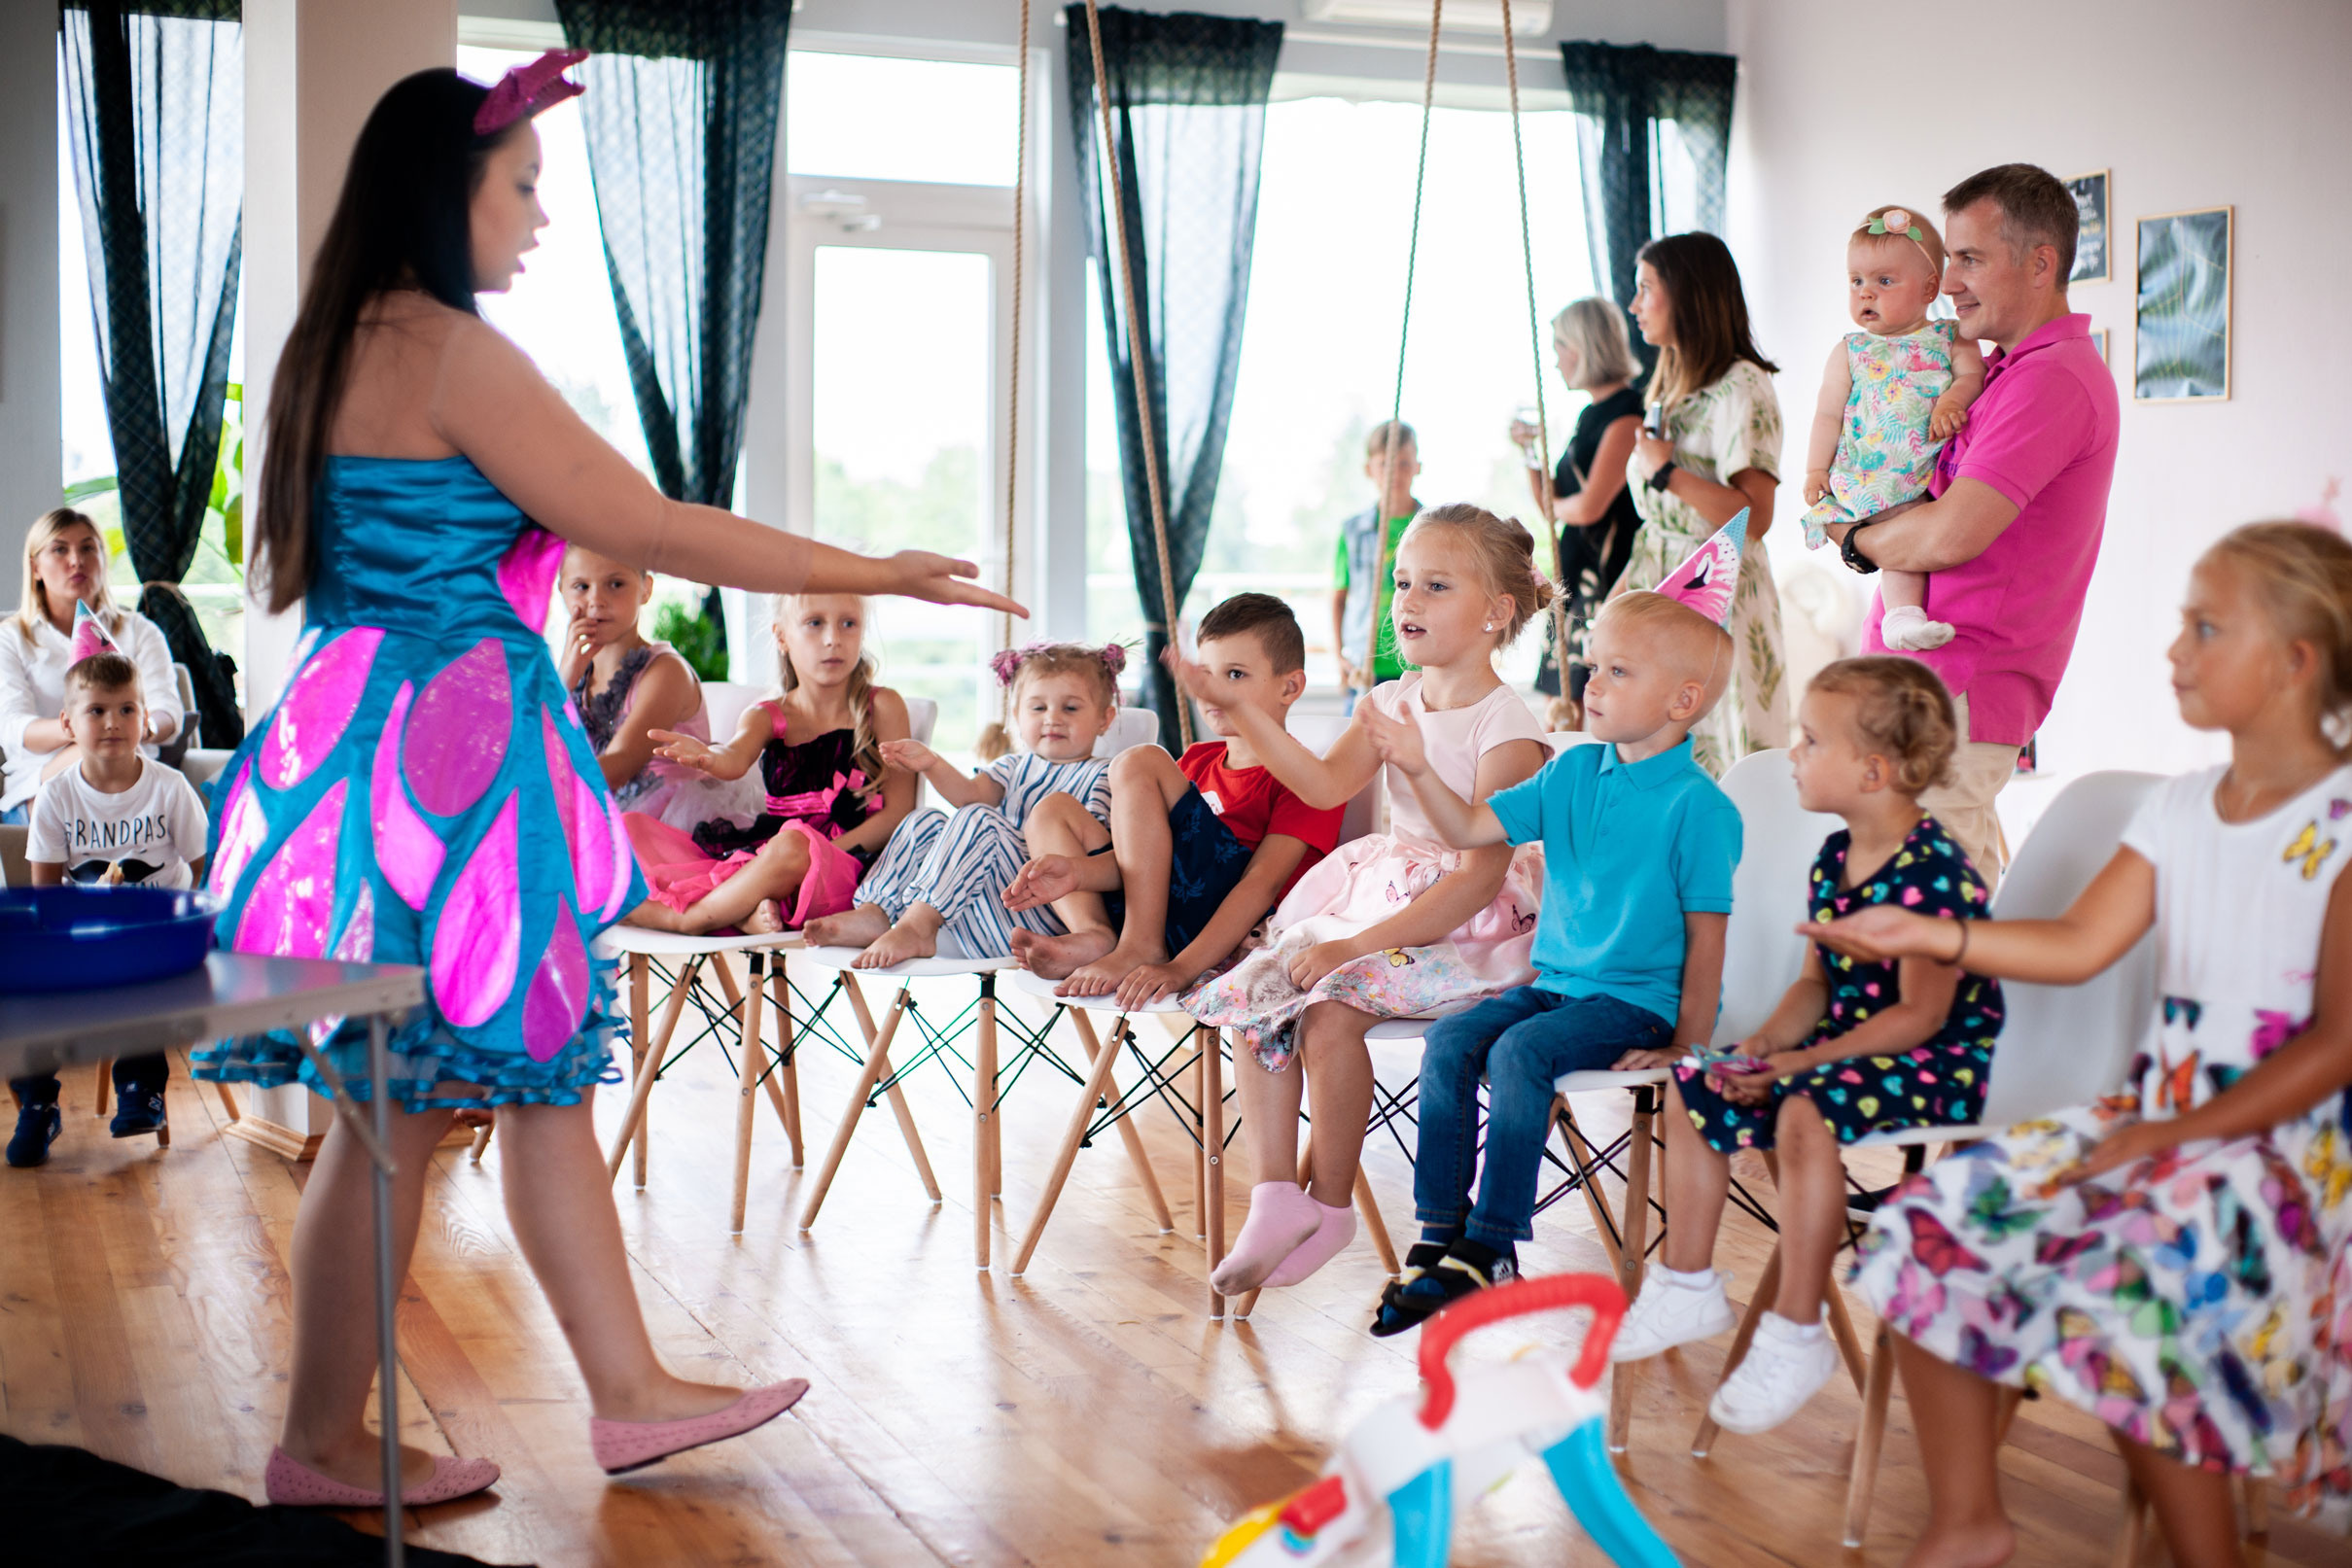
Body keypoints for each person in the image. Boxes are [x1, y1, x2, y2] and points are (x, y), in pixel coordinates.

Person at [190, 54, 1022, 1507]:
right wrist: (871, 568)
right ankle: (567, 1402)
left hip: (344, 751)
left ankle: (344, 1438)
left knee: (400, 1110)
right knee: (503, 1089)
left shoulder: (334, 345)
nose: (537, 221)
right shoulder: (448, 349)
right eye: (521, 190)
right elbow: (645, 523)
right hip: (447, 761)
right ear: (446, 194)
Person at [1818, 522, 2352, 1564]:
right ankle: (1967, 1519)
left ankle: (2212, 1556)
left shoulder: (2340, 823)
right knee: (1930, 1223)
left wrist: (2171, 1137)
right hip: (2158, 1120)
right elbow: (2076, 940)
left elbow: (2337, 1042)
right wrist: (1933, 932)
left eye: (2205, 628)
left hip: (2292, 1152)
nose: (2175, 652)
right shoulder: (2180, 806)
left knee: (2139, 1280)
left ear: (2295, 663)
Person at [1353, 518, 1751, 1336]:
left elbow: (1707, 938)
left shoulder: (1699, 807)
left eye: (1617, 671)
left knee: (1519, 1052)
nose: (1592, 683)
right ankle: (1438, 1236)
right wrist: (1419, 764)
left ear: (1683, 701)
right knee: (1452, 1042)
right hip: (1557, 985)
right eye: (1594, 664)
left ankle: (1493, 1243)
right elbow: (1468, 833)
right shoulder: (1570, 770)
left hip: (1633, 1003)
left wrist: (1688, 1041)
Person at [1613, 655, 2002, 1436]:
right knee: (1700, 1080)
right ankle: (1686, 1280)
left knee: (1802, 1109)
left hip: (1935, 1061)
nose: (1792, 753)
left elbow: (1920, 1016)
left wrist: (1799, 1065)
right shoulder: (1833, 857)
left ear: (1872, 769)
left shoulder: (1930, 869)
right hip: (1845, 1045)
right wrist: (1760, 1046)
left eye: (1810, 740)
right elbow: (1815, 988)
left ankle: (1795, 1331)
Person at [1173, 505, 1553, 1296]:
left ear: (1495, 612)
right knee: (1258, 991)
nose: (1406, 601)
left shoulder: (1507, 725)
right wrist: (1242, 708)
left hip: (1466, 923)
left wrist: (1351, 946)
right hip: (1388, 887)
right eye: (1401, 582)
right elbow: (1317, 783)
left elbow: (1477, 877)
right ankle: (1277, 1194)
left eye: (1434, 586)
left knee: (1331, 1005)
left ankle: (1332, 1203)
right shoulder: (1389, 698)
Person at [1820, 164, 2122, 880]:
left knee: (1917, 902)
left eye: (1969, 259)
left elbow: (1949, 534)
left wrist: (1850, 539)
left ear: (2040, 263)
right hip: (1924, 675)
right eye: (1949, 258)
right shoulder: (1994, 370)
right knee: (1954, 892)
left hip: (1959, 678)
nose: (1947, 281)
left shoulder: (2052, 378)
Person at [1000, 593, 1346, 1005]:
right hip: (1161, 909)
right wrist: (1079, 873)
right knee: (1051, 810)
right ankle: (1096, 936)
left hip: (1225, 931)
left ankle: (1139, 946)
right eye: (1205, 674)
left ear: (1290, 687)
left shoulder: (1306, 779)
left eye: (1234, 675)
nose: (1212, 690)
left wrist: (1183, 967)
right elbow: (1145, 860)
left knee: (1139, 760)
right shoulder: (1200, 760)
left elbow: (1260, 885)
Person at [5, 653, 211, 1167]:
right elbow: (46, 895)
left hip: (161, 932)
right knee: (20, 988)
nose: (113, 723)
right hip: (85, 931)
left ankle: (142, 1088)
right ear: (69, 724)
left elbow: (207, 868)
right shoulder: (55, 796)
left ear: (146, 720)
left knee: (135, 978)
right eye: (97, 711)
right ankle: (37, 1102)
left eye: (126, 710)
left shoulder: (169, 788)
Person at [804, 642, 1120, 968]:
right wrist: (932, 763)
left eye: (1070, 708)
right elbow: (969, 795)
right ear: (1016, 715)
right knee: (925, 820)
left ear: (1103, 718)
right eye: (1038, 708)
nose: (1052, 718)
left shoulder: (1106, 776)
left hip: (1042, 918)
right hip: (979, 909)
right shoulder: (1013, 766)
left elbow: (1094, 854)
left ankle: (918, 926)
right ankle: (875, 913)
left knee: (979, 819)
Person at [622, 592, 911, 936]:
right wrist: (708, 757)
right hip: (774, 857)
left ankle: (690, 919)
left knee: (793, 846)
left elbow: (898, 812)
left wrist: (821, 852)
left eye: (848, 624)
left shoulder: (884, 706)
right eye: (815, 624)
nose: (833, 638)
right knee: (625, 829)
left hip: (848, 868)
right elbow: (734, 758)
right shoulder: (766, 715)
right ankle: (744, 911)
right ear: (782, 636)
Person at [1619, 232, 1788, 777]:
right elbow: (1658, 524)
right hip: (1659, 599)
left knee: (1720, 759)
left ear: (1687, 295)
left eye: (1646, 288)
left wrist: (1668, 471)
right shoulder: (1667, 390)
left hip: (1716, 598)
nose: (1634, 304)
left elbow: (1754, 518)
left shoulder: (1743, 386)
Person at [1799, 207, 1986, 652]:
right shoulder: (1850, 350)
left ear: (1927, 289)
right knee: (1901, 534)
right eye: (1856, 281)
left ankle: (1902, 619)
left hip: (1919, 475)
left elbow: (1971, 376)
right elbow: (1828, 415)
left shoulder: (1951, 337)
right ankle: (1901, 618)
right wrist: (1813, 470)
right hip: (1866, 474)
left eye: (1884, 281)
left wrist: (1952, 401)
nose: (1866, 293)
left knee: (1913, 532)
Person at [1, 507, 184, 824]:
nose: (77, 560)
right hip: (43, 780)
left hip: (137, 775)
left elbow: (167, 709)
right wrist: (85, 730)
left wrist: (141, 728)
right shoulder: (11, 638)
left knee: (117, 759)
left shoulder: (140, 631)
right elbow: (12, 725)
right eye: (60, 549)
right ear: (35, 568)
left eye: (88, 548)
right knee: (92, 756)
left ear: (102, 558)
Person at [1514, 297, 1645, 718]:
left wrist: (1559, 506)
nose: (1555, 362)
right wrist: (1529, 452)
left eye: (1560, 347)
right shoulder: (1590, 416)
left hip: (1604, 582)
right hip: (1575, 582)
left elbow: (1589, 508)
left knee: (1591, 705)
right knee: (1560, 709)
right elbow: (1552, 504)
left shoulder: (1627, 413)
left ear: (1585, 347)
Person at [557, 543, 705, 812]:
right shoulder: (571, 675)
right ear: (561, 590)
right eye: (581, 586)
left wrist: (540, 785)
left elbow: (620, 763)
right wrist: (563, 683)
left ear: (646, 588)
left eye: (615, 584)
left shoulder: (665, 671)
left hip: (663, 823)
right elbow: (533, 743)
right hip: (604, 814)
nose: (596, 600)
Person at [1331, 420, 1422, 707]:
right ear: (1369, 469)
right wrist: (1339, 656)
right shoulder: (1353, 531)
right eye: (1385, 464)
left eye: (1404, 464)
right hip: (1365, 662)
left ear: (1418, 467)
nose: (1394, 473)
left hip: (1418, 660)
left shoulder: (1433, 528)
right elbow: (1339, 597)